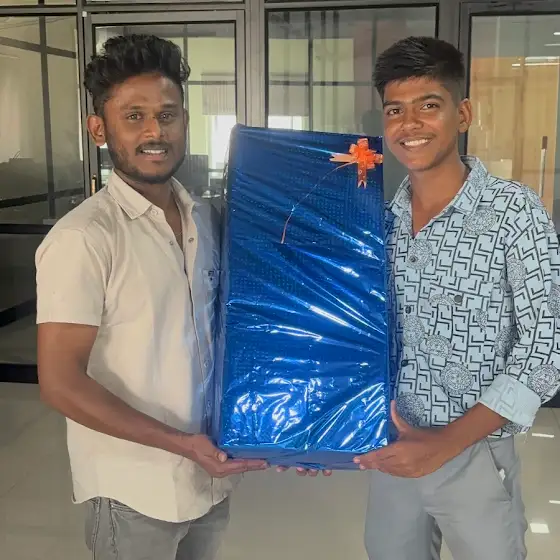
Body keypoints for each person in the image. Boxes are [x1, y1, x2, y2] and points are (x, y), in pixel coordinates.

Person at [35, 34, 269, 560]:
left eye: (167, 115)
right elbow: (60, 382)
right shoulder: (84, 239)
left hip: (210, 478)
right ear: (99, 129)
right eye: (134, 116)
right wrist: (182, 446)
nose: (155, 132)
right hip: (135, 490)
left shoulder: (205, 220)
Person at [354, 36, 560, 560]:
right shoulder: (382, 223)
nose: (410, 124)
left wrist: (447, 443)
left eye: (429, 105)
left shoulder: (514, 212)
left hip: (476, 451)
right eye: (395, 110)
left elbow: (545, 349)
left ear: (462, 114)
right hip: (396, 444)